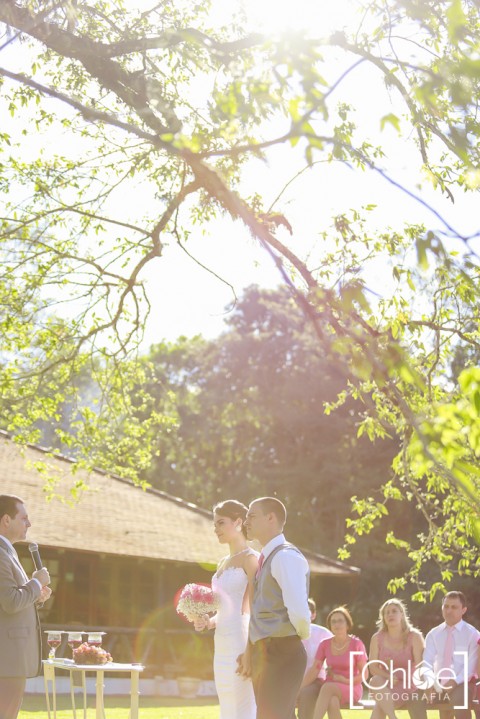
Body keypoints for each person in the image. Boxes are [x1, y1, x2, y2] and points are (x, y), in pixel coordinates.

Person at [240, 496, 311, 719]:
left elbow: (299, 610)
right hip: (268, 651)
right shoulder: (268, 557)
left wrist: (297, 637)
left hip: (283, 649)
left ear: (270, 518)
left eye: (251, 515)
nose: (246, 521)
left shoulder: (285, 556)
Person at [194, 499, 258, 719]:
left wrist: (250, 652)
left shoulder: (251, 560)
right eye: (214, 525)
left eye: (221, 523)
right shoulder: (222, 562)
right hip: (220, 642)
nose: (216, 529)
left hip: (241, 641)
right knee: (227, 704)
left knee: (243, 704)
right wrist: (208, 621)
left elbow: (255, 610)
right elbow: (225, 608)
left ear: (239, 522)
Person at [0, 494, 51, 719]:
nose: (29, 524)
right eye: (24, 518)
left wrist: (36, 595)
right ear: (6, 520)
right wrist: (37, 581)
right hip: (6, 660)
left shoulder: (8, 551)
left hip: (11, 660)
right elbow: (10, 601)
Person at [423, 590, 479, 719]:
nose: (449, 611)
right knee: (415, 698)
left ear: (463, 610)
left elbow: (471, 666)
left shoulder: (472, 634)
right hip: (438, 683)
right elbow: (426, 661)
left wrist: (454, 681)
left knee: (460, 699)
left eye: (454, 607)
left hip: (463, 683)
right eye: (446, 606)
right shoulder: (433, 634)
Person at [368, 599, 426, 719]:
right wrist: (388, 676)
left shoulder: (414, 636)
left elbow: (421, 666)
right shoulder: (377, 638)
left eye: (394, 611)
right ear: (383, 617)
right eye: (386, 612)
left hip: (408, 684)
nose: (390, 614)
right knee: (375, 681)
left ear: (402, 614)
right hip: (385, 683)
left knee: (380, 705)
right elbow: (372, 667)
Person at [308, 606, 367, 719]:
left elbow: (364, 674)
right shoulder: (324, 644)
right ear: (330, 625)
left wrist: (344, 680)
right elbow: (315, 668)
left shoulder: (356, 644)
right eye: (333, 621)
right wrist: (300, 687)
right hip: (330, 689)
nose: (336, 624)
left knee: (327, 687)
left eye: (340, 621)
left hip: (351, 687)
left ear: (347, 624)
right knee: (332, 701)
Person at [295, 598, 333, 719]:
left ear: (314, 615)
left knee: (306, 693)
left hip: (316, 681)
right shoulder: (289, 633)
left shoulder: (324, 634)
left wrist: (299, 688)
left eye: (308, 610)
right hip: (292, 680)